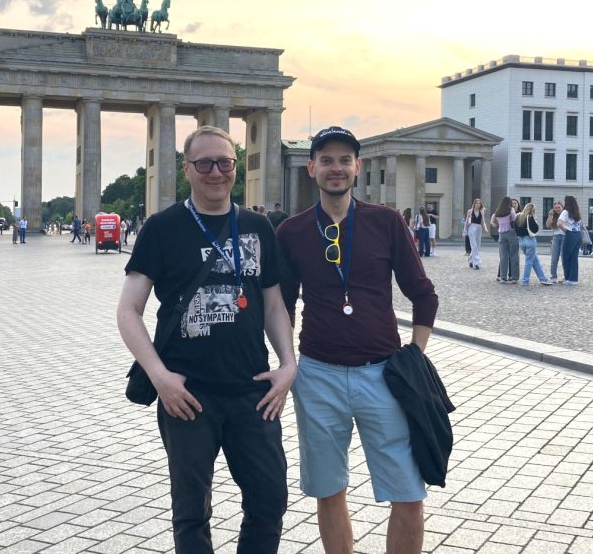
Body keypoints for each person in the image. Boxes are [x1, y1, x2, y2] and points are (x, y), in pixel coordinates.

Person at [117, 125, 295, 554]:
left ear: (236, 166)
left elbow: (273, 305)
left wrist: (289, 364)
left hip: (253, 389)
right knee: (192, 513)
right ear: (187, 169)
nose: (216, 172)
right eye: (204, 163)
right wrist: (159, 377)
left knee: (270, 500)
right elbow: (128, 311)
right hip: (187, 393)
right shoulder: (162, 228)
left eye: (225, 162)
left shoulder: (257, 226)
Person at [275, 126, 438, 554]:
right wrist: (287, 363)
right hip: (318, 375)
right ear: (311, 168)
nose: (336, 168)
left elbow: (423, 294)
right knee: (329, 489)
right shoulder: (291, 232)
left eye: (345, 159)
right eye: (326, 159)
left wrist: (414, 356)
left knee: (407, 490)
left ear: (357, 167)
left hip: (383, 374)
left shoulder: (385, 222)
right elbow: (283, 305)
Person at [515, 203, 553, 286]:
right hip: (530, 240)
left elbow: (514, 227)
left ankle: (543, 278)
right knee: (529, 261)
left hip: (521, 241)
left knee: (534, 260)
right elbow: (536, 229)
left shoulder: (518, 217)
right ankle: (525, 281)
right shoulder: (530, 217)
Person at [490, 197, 518, 283]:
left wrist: (498, 225)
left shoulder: (498, 212)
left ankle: (503, 277)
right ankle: (514, 277)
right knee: (514, 255)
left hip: (501, 234)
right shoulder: (511, 210)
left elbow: (493, 222)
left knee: (503, 256)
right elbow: (514, 219)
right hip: (511, 233)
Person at [559, 196, 583, 285]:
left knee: (565, 257)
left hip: (570, 234)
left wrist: (565, 230)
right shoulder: (577, 212)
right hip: (578, 235)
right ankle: (574, 279)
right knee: (574, 258)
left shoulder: (565, 212)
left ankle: (568, 277)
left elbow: (559, 223)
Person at [546, 201, 564, 282]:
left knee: (564, 258)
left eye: (559, 207)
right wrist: (550, 215)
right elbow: (548, 225)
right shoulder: (553, 216)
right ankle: (553, 276)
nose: (557, 209)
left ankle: (566, 276)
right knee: (554, 258)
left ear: (562, 208)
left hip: (565, 237)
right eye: (555, 208)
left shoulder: (565, 215)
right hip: (556, 237)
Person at [466, 198, 485, 270]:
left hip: (479, 228)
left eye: (479, 203)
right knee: (474, 246)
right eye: (476, 203)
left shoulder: (482, 211)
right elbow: (467, 222)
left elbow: (483, 220)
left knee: (477, 246)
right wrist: (464, 231)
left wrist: (485, 228)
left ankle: (470, 260)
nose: (478, 204)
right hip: (472, 227)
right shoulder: (470, 211)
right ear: (474, 204)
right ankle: (476, 263)